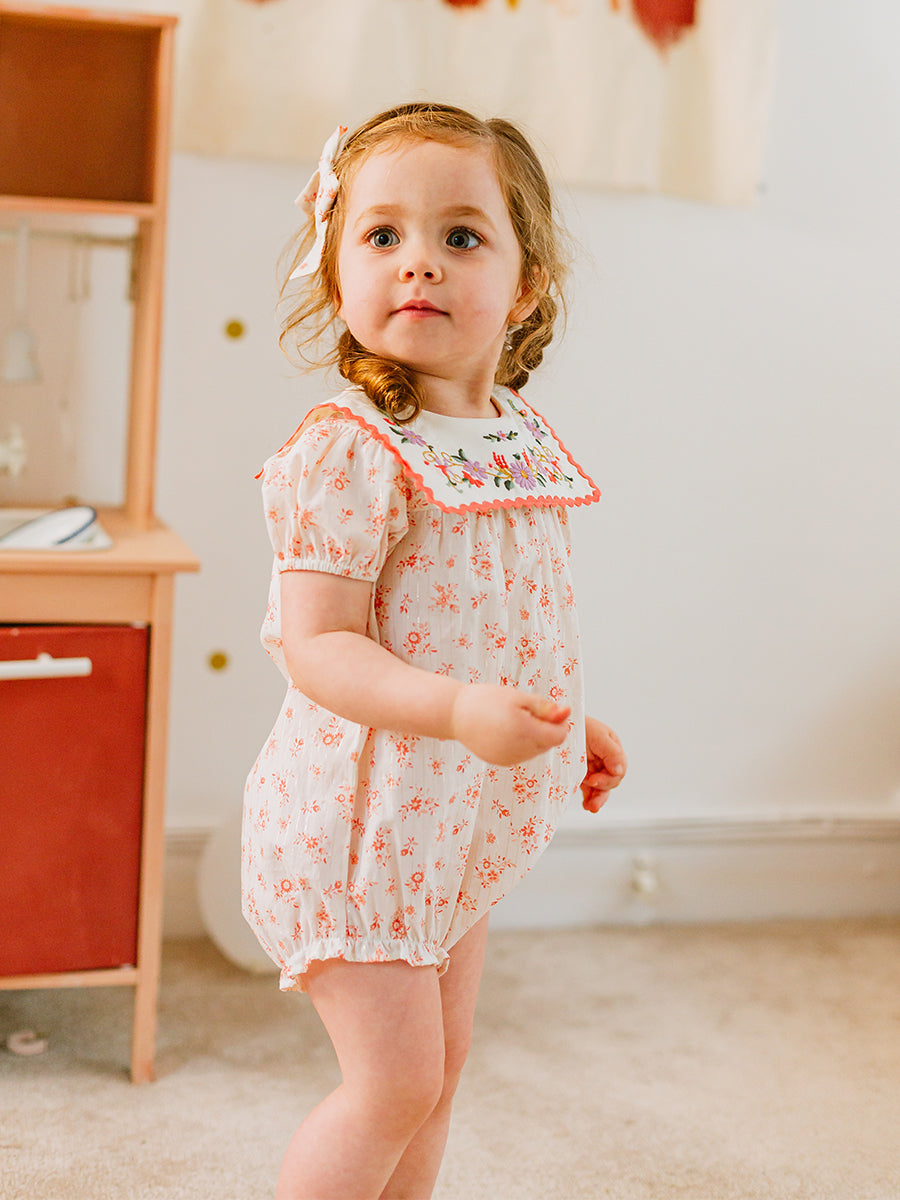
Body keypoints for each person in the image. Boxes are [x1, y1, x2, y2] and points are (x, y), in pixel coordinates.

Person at [243, 102, 627, 1200]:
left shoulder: (512, 441)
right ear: (337, 276)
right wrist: (461, 713)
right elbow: (319, 646)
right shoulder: (351, 452)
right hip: (358, 827)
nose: (419, 262)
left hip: (449, 822)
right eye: (382, 235)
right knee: (393, 1083)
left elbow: (501, 618)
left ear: (527, 284)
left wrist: (560, 721)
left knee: (441, 1071)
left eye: (461, 236)